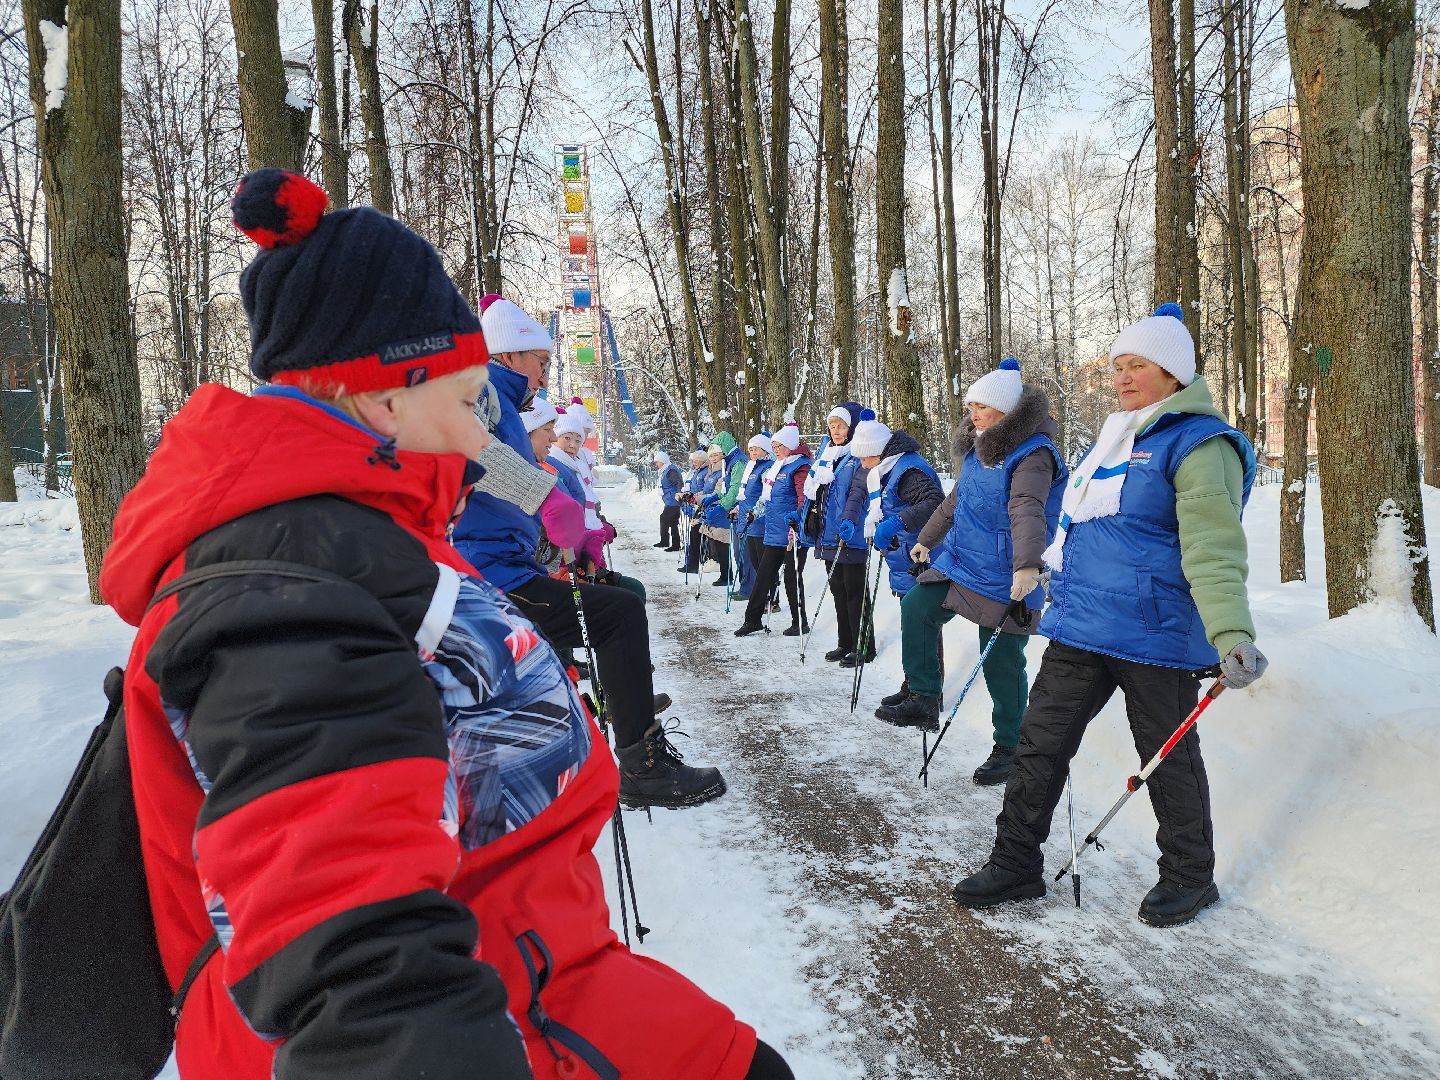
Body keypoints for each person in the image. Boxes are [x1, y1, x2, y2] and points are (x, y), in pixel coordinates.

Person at [99, 168, 792, 1080]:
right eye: (490, 386)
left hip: (533, 949)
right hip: (495, 983)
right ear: (394, 389)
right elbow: (348, 937)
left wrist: (570, 528)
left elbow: (499, 487)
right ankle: (646, 751)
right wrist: (561, 525)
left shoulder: (403, 463)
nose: (510, 398)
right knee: (617, 612)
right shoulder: (318, 554)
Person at [952, 303, 1266, 929]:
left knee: (1167, 756)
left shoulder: (1201, 444)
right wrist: (1042, 567)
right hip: (1081, 625)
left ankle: (1189, 875)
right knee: (1040, 744)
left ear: (1174, 374)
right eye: (1118, 367)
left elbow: (1212, 546)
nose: (1122, 378)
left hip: (1154, 634)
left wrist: (1231, 631)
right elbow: (1077, 527)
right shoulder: (1113, 437)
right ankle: (1016, 861)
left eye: (1137, 366)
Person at [452, 295, 725, 810]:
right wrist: (544, 495)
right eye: (540, 360)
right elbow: (469, 445)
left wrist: (555, 538)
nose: (544, 371)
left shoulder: (505, 402)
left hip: (509, 565)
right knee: (619, 614)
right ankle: (642, 766)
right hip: (490, 576)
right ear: (510, 354)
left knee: (620, 607)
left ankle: (619, 729)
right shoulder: (482, 389)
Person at [874, 359, 1068, 787]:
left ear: (1006, 410)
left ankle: (1011, 745)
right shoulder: (981, 448)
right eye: (970, 405)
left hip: (1008, 574)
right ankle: (924, 696)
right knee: (917, 606)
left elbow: (1028, 510)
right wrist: (926, 538)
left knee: (1001, 662)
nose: (972, 413)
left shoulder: (1033, 454)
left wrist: (1027, 566)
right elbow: (953, 502)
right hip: (962, 563)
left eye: (981, 405)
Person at [848, 412, 944, 649]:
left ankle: (923, 686)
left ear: (876, 451)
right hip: (905, 559)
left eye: (863, 458)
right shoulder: (890, 469)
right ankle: (913, 682)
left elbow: (934, 502)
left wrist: (895, 524)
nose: (862, 464)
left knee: (921, 627)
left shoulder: (908, 471)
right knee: (913, 627)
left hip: (921, 559)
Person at [735, 422, 812, 637]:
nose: (775, 450)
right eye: (773, 446)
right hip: (773, 532)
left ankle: (800, 622)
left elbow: (804, 497)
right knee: (763, 576)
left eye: (778, 446)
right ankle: (752, 620)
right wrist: (755, 512)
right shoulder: (778, 466)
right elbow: (766, 497)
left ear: (788, 444)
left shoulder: (800, 466)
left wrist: (797, 516)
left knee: (791, 577)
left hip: (791, 533)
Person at [806, 402, 869, 665]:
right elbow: (817, 493)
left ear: (851, 427)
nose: (836, 431)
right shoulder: (827, 456)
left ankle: (863, 646)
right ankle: (845, 642)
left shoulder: (858, 456)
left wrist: (849, 521)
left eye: (841, 426)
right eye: (832, 426)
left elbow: (859, 494)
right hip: (828, 534)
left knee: (855, 592)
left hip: (850, 534)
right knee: (838, 590)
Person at [699, 433, 747, 587]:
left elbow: (735, 490)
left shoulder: (737, 461)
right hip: (731, 510)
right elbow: (726, 488)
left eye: (717, 453)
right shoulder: (729, 461)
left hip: (738, 510)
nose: (715, 457)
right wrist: (714, 498)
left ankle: (746, 585)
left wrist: (721, 506)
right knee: (736, 550)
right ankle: (743, 584)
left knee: (742, 552)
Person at [729, 432, 773, 602]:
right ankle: (752, 590)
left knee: (758, 563)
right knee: (748, 559)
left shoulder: (766, 468)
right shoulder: (751, 467)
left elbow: (765, 495)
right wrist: (737, 508)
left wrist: (754, 512)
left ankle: (761, 594)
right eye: (750, 450)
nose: (753, 453)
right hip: (746, 520)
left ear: (765, 450)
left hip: (757, 521)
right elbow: (745, 495)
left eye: (756, 449)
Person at [654, 449, 684, 550]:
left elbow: (679, 482)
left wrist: (679, 493)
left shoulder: (671, 470)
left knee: (664, 518)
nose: (656, 464)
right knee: (673, 522)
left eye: (657, 462)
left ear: (662, 461)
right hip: (670, 500)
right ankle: (675, 545)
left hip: (673, 500)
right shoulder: (665, 470)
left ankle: (665, 541)